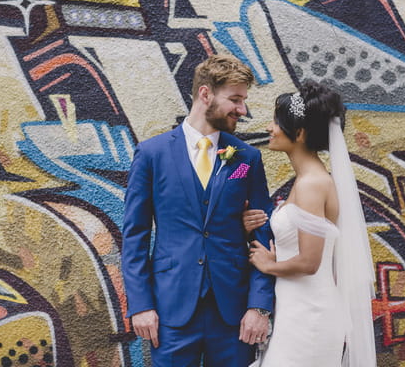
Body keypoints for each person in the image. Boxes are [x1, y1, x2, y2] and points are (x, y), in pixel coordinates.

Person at [122, 54, 275, 366]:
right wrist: (140, 305)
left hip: (233, 312)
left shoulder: (246, 159)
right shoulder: (152, 154)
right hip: (170, 309)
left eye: (243, 100)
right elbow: (134, 235)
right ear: (205, 94)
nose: (242, 110)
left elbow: (263, 235)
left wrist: (259, 306)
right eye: (235, 99)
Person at [243, 80, 377, 366]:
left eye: (277, 122)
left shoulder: (311, 185)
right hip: (298, 311)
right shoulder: (307, 181)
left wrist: (269, 265)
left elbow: (310, 262)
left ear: (300, 133)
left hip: (310, 316)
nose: (269, 128)